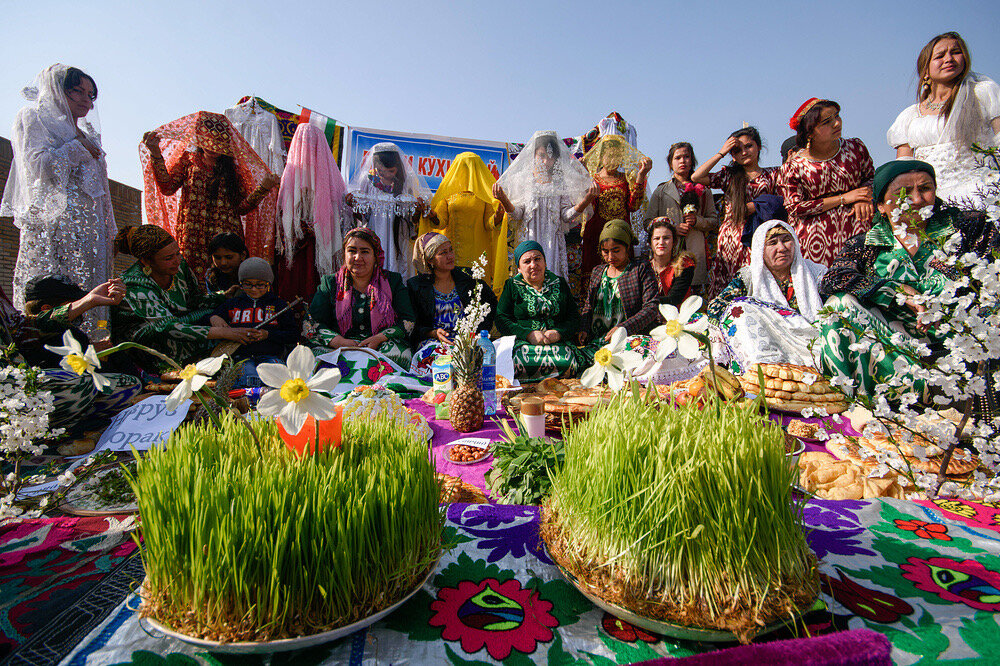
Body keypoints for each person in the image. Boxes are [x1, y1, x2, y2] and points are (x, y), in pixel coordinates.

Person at [819, 159, 998, 398]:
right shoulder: (867, 245)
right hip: (896, 348)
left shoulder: (967, 227)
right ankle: (858, 402)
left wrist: (946, 307)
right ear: (881, 205)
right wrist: (897, 292)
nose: (916, 199)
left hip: (962, 338)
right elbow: (833, 278)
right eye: (902, 193)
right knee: (837, 307)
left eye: (925, 189)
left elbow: (991, 274)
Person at [0, 64, 116, 335]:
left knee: (91, 292)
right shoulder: (33, 118)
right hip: (55, 227)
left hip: (90, 233)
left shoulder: (89, 135)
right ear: (55, 90)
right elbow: (37, 166)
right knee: (55, 289)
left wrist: (109, 230)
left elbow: (101, 189)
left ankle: (94, 349)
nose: (87, 100)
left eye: (91, 94)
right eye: (78, 91)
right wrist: (76, 149)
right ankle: (48, 352)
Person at [141, 111, 280, 279]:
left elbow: (242, 208)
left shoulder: (234, 169)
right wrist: (156, 153)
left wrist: (263, 188)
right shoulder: (189, 161)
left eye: (218, 141)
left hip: (225, 240)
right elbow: (167, 187)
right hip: (192, 235)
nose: (213, 146)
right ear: (199, 138)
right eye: (209, 140)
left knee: (225, 281)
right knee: (189, 279)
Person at [111, 225, 258, 370]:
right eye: (169, 258)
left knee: (219, 313)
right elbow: (165, 327)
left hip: (178, 321)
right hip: (146, 337)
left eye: (178, 253)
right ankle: (174, 369)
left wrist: (222, 297)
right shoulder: (134, 283)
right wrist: (225, 332)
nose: (177, 260)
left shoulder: (179, 267)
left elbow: (195, 300)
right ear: (147, 261)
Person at [1, 279, 141, 430]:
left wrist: (89, 300)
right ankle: (30, 429)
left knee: (128, 386)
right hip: (10, 390)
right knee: (80, 384)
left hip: (23, 383)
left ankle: (54, 429)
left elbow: (21, 327)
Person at [888, 32, 1000, 208]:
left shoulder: (983, 92)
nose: (949, 59)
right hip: (932, 201)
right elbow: (903, 170)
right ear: (925, 69)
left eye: (955, 52)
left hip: (981, 193)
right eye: (940, 56)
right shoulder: (908, 117)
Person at [707, 221, 827, 373]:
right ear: (760, 250)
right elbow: (716, 306)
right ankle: (760, 372)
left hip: (811, 344)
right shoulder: (749, 277)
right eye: (772, 243)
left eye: (786, 240)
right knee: (738, 310)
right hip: (770, 345)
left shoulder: (816, 273)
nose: (782, 248)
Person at [779, 99, 875, 266]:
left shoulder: (855, 148)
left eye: (837, 116)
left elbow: (871, 178)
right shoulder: (793, 167)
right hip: (814, 241)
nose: (836, 123)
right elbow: (794, 207)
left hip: (858, 230)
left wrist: (863, 197)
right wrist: (844, 198)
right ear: (809, 132)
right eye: (827, 122)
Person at [492, 131, 597, 280]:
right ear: (533, 155)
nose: (546, 161)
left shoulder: (560, 183)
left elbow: (566, 216)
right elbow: (517, 215)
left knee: (551, 285)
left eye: (551, 156)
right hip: (529, 242)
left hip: (552, 246)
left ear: (556, 159)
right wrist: (503, 199)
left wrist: (586, 200)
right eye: (542, 156)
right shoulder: (523, 181)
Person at [692, 127, 782, 299]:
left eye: (748, 146)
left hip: (760, 235)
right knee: (730, 283)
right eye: (737, 150)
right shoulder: (729, 175)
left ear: (759, 147)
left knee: (756, 282)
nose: (744, 152)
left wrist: (755, 206)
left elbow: (782, 201)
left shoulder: (773, 174)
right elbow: (696, 177)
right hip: (731, 238)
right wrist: (721, 152)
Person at [309, 227, 416, 368]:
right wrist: (337, 341)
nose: (357, 257)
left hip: (381, 344)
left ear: (376, 256)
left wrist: (379, 338)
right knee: (313, 358)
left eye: (365, 252)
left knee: (400, 356)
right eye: (352, 251)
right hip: (339, 345)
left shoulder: (392, 281)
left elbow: (407, 320)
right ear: (344, 254)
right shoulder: (330, 283)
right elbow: (311, 322)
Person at [277, 122, 351, 301]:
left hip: (321, 247)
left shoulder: (330, 177)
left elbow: (340, 217)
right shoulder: (289, 176)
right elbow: (282, 214)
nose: (307, 149)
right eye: (303, 143)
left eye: (312, 144)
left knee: (320, 289)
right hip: (296, 249)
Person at [407, 232, 496, 377]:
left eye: (451, 250)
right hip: (436, 343)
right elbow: (412, 326)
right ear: (430, 260)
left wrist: (479, 333)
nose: (450, 256)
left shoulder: (468, 277)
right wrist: (433, 333)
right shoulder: (416, 286)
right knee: (440, 361)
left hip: (469, 340)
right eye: (443, 253)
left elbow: (490, 303)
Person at [496, 241, 582, 380]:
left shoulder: (559, 283)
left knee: (569, 364)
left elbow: (574, 317)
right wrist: (527, 334)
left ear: (545, 262)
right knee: (518, 364)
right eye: (527, 261)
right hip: (524, 344)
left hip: (557, 344)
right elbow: (501, 319)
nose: (533, 265)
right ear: (518, 268)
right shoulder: (512, 286)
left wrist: (559, 333)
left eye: (537, 259)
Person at [578, 219, 661, 362]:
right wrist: (584, 328)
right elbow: (588, 306)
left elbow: (651, 307)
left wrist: (623, 329)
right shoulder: (598, 272)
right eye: (605, 251)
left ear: (627, 248)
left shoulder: (640, 269)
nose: (610, 257)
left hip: (630, 342)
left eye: (616, 250)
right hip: (598, 342)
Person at [422, 152, 506, 292]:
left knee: (476, 296)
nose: (468, 172)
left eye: (471, 168)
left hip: (478, 255)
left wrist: (498, 216)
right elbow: (441, 222)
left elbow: (489, 224)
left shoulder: (484, 195)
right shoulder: (448, 195)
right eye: (464, 168)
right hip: (451, 253)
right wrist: (432, 215)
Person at [346, 142, 430, 280]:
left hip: (399, 235)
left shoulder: (406, 182)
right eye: (381, 171)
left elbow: (412, 220)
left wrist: (417, 211)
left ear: (398, 167)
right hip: (374, 231)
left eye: (391, 171)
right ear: (374, 167)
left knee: (396, 269)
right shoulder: (367, 181)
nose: (386, 175)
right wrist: (353, 206)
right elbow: (362, 216)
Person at [209, 258, 298, 388]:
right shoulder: (233, 304)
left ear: (269, 284)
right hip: (241, 357)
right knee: (248, 378)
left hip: (271, 355)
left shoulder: (279, 305)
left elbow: (293, 334)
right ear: (241, 283)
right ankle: (248, 407)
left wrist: (268, 335)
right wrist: (214, 317)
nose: (254, 289)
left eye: (260, 284)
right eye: (248, 284)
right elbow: (206, 318)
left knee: (278, 380)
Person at [644, 142, 718, 295]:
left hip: (695, 251)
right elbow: (647, 223)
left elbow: (714, 221)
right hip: (667, 255)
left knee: (695, 301)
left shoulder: (704, 190)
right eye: (677, 158)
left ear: (692, 160)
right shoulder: (661, 191)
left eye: (686, 157)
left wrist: (697, 221)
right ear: (671, 163)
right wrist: (671, 229)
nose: (682, 161)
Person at [580, 135, 652, 284]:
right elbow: (585, 208)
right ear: (601, 156)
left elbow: (633, 206)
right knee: (596, 279)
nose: (613, 160)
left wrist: (641, 175)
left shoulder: (626, 180)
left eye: (617, 155)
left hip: (621, 235)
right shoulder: (592, 179)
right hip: (596, 236)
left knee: (623, 277)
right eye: (609, 155)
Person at [646, 218, 696, 306]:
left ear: (674, 242)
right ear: (650, 243)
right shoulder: (643, 267)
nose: (661, 242)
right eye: (656, 238)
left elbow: (674, 299)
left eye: (666, 238)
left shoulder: (683, 265)